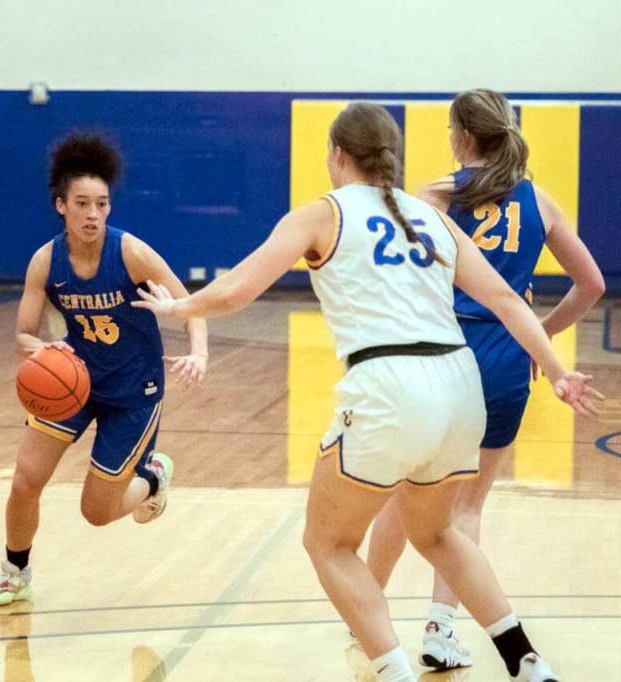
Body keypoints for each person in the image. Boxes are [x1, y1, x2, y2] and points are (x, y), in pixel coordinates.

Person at [132, 103, 600, 682]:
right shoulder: (431, 218)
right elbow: (507, 299)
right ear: (392, 158)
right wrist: (556, 370)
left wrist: (178, 306)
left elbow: (236, 291)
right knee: (439, 532)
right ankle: (526, 662)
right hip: (460, 388)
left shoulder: (320, 215)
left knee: (327, 543)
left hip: (388, 388)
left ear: (336, 154)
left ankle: (392, 671)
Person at [363, 89, 606, 672]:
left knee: (405, 489)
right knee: (466, 504)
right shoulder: (540, 203)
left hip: (440, 350)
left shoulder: (435, 197)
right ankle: (439, 629)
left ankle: (364, 610)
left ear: (462, 137)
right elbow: (592, 284)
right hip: (503, 354)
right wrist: (536, 335)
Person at [0, 132, 209, 608]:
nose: (93, 214)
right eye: (81, 203)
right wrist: (42, 350)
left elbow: (190, 303)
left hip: (133, 392)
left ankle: (153, 480)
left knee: (96, 512)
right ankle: (15, 574)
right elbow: (23, 333)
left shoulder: (130, 253)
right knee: (25, 480)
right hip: (75, 381)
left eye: (101, 204)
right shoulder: (46, 261)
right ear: (61, 205)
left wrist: (198, 352)